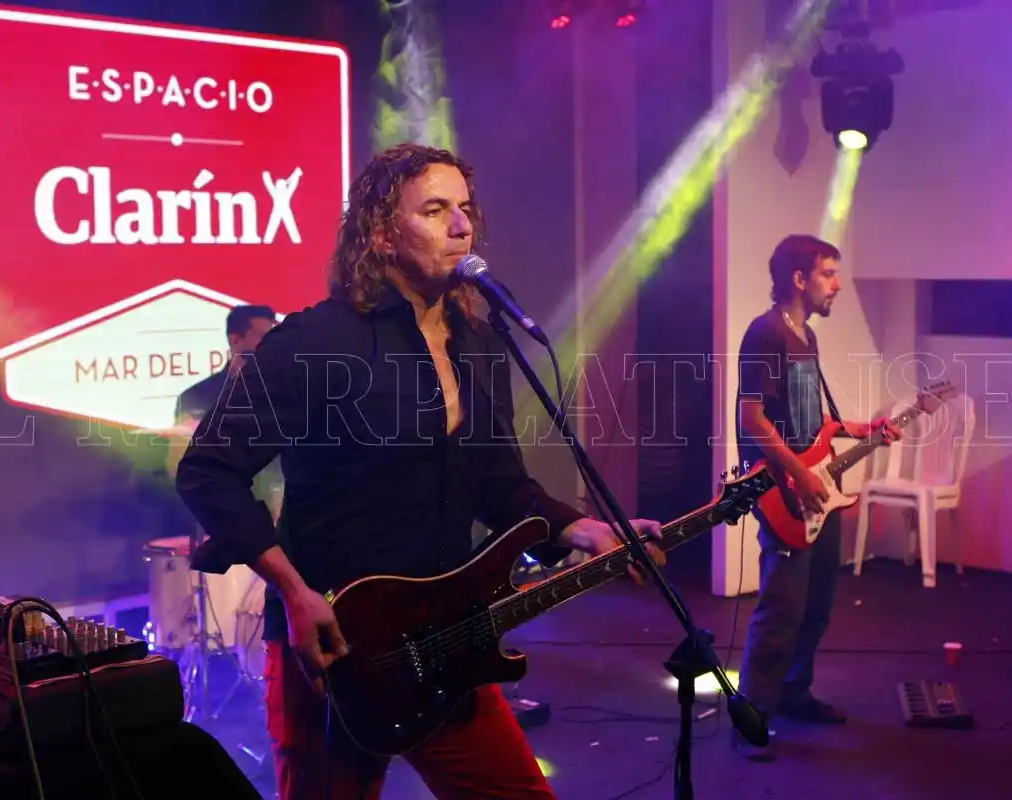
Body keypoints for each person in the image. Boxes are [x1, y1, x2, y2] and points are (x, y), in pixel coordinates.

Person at [175, 143, 665, 799]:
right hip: (335, 645)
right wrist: (293, 591)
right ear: (381, 234)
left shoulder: (477, 342)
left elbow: (496, 482)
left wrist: (583, 529)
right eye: (435, 211)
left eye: (465, 208)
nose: (461, 226)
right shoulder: (317, 341)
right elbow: (207, 469)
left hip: (443, 637)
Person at [733, 234, 901, 760]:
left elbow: (813, 420)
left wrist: (860, 429)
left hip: (817, 488)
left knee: (817, 603)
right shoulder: (765, 333)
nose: (838, 284)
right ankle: (751, 721)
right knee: (780, 609)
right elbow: (752, 418)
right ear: (799, 278)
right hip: (784, 490)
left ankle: (793, 691)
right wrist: (798, 476)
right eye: (829, 273)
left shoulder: (805, 336)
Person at [171, 304, 283, 521]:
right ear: (235, 340)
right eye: (264, 337)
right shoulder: (196, 397)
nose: (272, 346)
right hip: (225, 516)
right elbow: (185, 465)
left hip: (285, 514)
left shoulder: (286, 391)